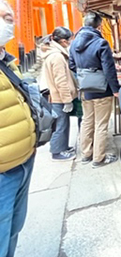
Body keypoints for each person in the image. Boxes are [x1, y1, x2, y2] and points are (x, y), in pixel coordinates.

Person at [0, 0, 43, 257]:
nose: (11, 24)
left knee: (12, 230)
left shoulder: (5, 63)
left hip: (18, 163)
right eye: (4, 18)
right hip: (1, 171)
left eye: (11, 17)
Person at [69, 12, 119, 168]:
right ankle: (99, 158)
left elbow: (71, 66)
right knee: (101, 124)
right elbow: (109, 69)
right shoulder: (101, 43)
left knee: (87, 121)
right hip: (102, 90)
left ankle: (86, 154)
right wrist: (116, 89)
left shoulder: (74, 43)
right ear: (99, 26)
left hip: (85, 90)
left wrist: (85, 75)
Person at [43, 27, 77, 162]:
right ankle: (57, 152)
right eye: (69, 40)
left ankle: (63, 147)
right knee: (60, 125)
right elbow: (61, 81)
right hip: (59, 97)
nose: (70, 43)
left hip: (57, 96)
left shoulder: (54, 53)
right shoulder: (57, 56)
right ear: (63, 41)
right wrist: (67, 100)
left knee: (63, 124)